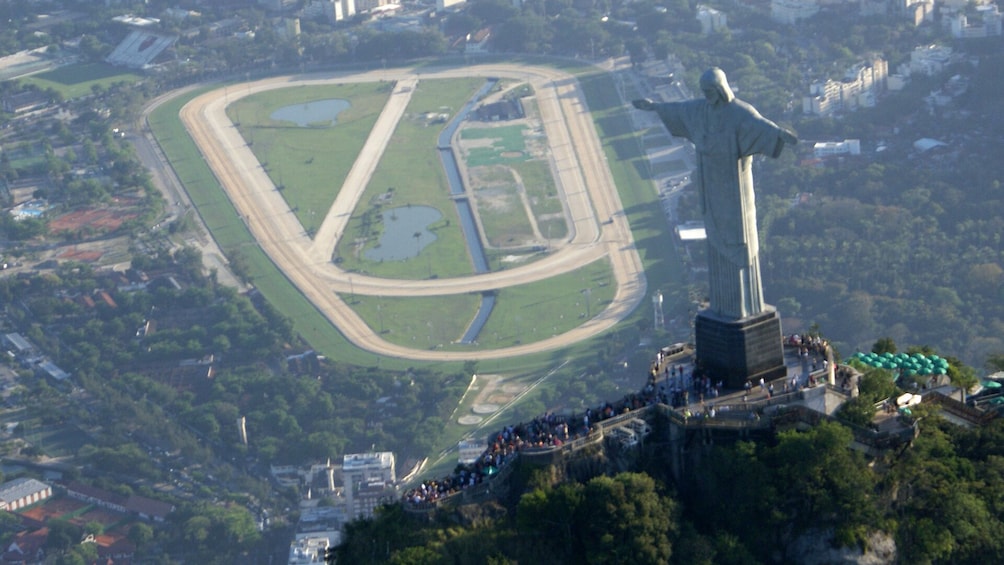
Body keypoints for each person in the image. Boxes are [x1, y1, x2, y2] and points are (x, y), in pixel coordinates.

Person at [633, 68, 797, 320]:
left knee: (739, 241)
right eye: (705, 92)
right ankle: (723, 306)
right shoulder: (699, 110)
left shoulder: (739, 113)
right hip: (711, 187)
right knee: (716, 239)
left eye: (711, 91)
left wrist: (779, 134)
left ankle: (745, 306)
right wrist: (654, 106)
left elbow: (761, 127)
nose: (708, 96)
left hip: (734, 191)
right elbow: (678, 110)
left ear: (722, 89)